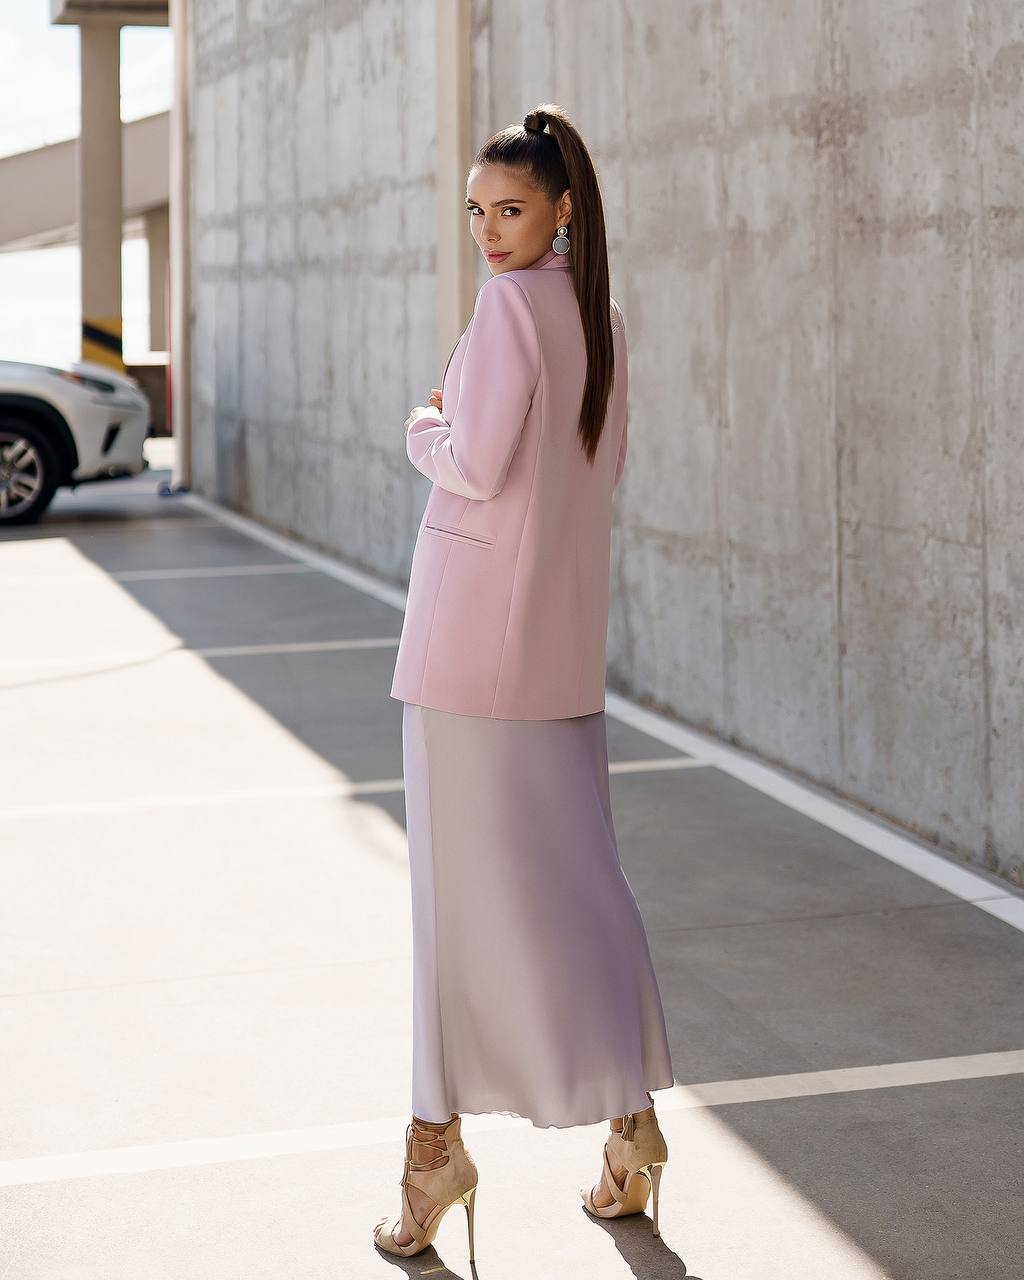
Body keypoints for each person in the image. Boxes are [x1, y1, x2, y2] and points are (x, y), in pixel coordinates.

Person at [373, 103, 675, 1261]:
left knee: (452, 918)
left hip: (466, 660)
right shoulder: (596, 316)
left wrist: (422, 422)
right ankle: (631, 1130)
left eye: (509, 209)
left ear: (559, 210)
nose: (489, 233)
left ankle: (431, 1151)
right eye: (477, 212)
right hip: (555, 655)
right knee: (580, 890)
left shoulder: (509, 309)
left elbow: (475, 459)